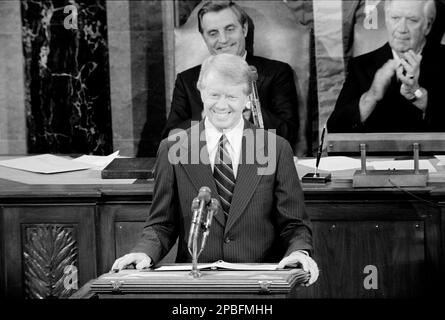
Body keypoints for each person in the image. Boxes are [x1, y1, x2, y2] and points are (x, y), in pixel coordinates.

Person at [112, 53, 319, 286]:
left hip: (259, 282)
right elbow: (162, 223)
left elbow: (293, 224)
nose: (221, 105)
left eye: (231, 96)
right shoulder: (173, 148)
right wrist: (144, 252)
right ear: (201, 91)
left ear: (247, 98)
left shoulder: (276, 148)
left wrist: (299, 253)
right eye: (214, 95)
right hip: (196, 283)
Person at [162, 0, 300, 150]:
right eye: (213, 33)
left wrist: (250, 111)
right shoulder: (186, 80)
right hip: (204, 166)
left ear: (244, 29)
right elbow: (169, 140)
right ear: (204, 38)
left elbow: (288, 134)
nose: (223, 39)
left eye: (229, 29)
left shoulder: (277, 73)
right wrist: (205, 120)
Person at [327, 0, 445, 133]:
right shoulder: (362, 66)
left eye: (412, 20)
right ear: (387, 20)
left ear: (427, 26)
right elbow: (335, 130)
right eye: (395, 18)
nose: (402, 29)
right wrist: (371, 96)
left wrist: (421, 97)